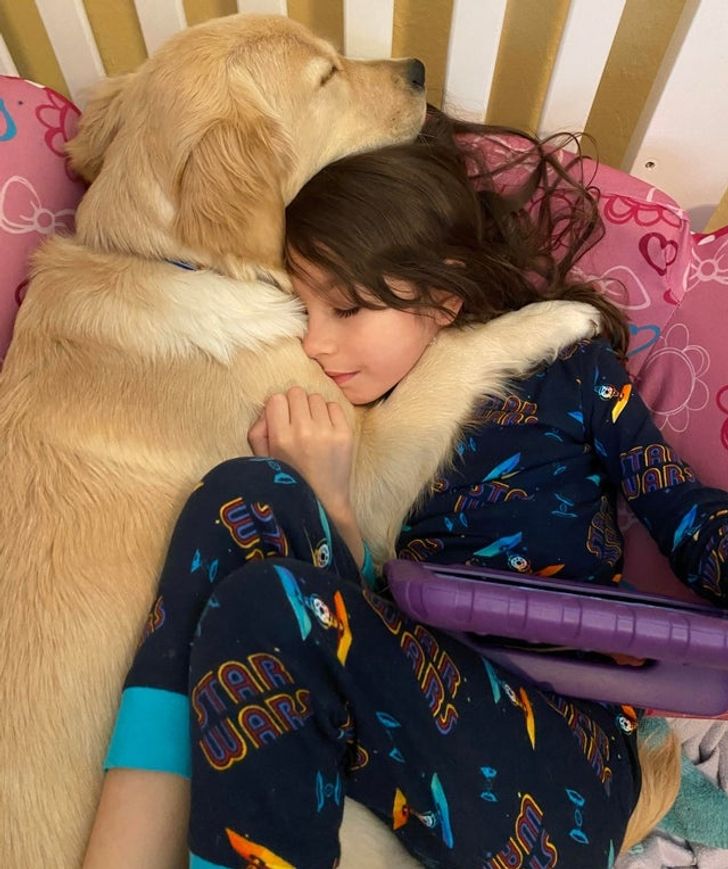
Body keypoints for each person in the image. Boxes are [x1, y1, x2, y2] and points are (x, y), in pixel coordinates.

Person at [83, 113, 728, 869]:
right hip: (417, 711)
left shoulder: (566, 370)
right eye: (302, 309)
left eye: (347, 308)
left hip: (565, 744)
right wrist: (333, 502)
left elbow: (681, 511)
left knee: (267, 603)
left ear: (442, 295)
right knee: (240, 493)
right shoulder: (348, 412)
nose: (314, 342)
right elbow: (358, 620)